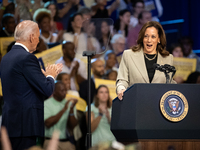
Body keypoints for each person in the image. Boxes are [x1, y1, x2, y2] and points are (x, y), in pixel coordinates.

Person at [0, 20, 63, 150]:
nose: (39, 41)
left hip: (10, 123)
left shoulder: (6, 58)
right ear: (31, 37)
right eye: (38, 37)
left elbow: (23, 87)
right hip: (26, 125)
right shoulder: (28, 58)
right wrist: (51, 75)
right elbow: (47, 90)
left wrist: (43, 78)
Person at [117, 21, 176, 100]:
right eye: (146, 36)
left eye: (153, 37)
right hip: (135, 102)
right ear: (142, 38)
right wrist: (121, 89)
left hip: (158, 104)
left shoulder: (168, 58)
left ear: (159, 39)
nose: (149, 40)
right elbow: (122, 80)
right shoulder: (128, 55)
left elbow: (169, 83)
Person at [44, 82, 78, 150]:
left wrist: (71, 110)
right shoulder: (47, 104)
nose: (65, 92)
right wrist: (64, 109)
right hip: (50, 141)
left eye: (66, 90)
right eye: (62, 90)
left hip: (67, 141)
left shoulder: (70, 104)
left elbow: (73, 126)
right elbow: (48, 123)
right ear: (55, 92)